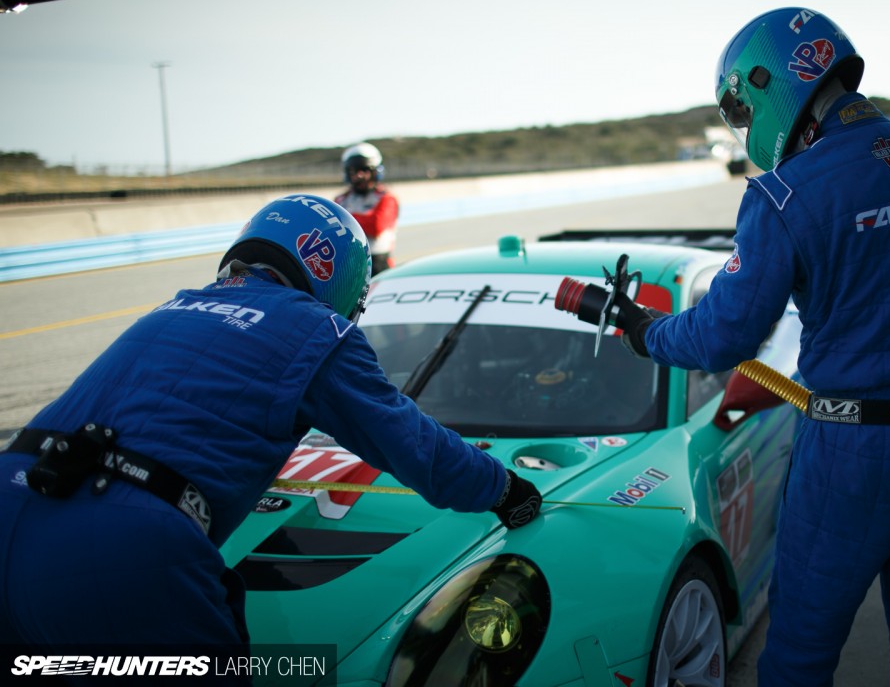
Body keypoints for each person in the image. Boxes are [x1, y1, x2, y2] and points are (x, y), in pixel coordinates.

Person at [601, 8, 890, 686]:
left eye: (744, 108)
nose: (746, 125)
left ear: (769, 85)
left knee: (800, 653)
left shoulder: (784, 193)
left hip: (853, 454)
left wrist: (647, 332)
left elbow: (722, 336)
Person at [0, 194, 541, 649]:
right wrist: (502, 488)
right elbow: (409, 441)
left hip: (14, 498)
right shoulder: (314, 329)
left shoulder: (172, 307)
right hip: (123, 541)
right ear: (335, 276)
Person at [335, 142, 400, 275]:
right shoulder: (341, 199)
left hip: (378, 263)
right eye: (354, 171)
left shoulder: (387, 198)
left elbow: (376, 226)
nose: (359, 176)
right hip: (348, 263)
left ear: (375, 171)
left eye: (364, 170)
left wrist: (344, 220)